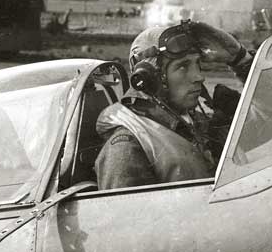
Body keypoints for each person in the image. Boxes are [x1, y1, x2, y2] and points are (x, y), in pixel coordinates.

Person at [94, 20, 254, 190]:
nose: (199, 77)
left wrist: (239, 58)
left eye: (197, 64)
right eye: (183, 66)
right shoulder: (127, 147)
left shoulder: (198, 124)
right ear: (149, 79)